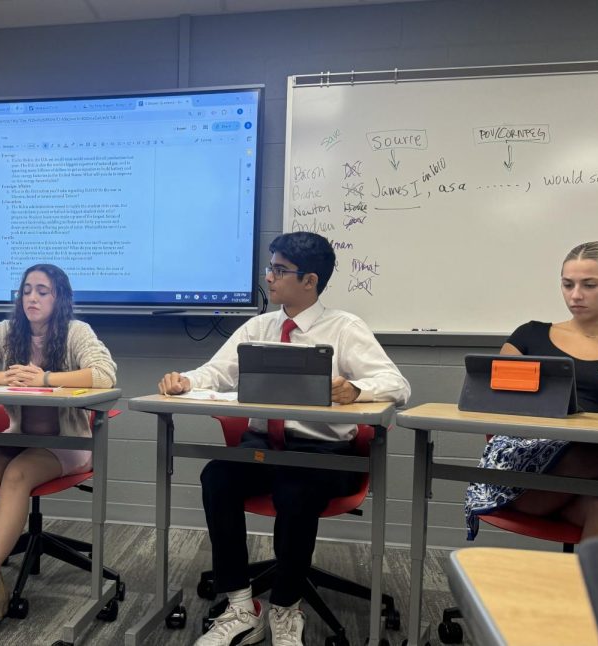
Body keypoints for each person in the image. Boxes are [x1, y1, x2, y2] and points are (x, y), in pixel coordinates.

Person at [158, 232, 410, 646]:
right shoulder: (259, 326)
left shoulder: (344, 328)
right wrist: (185, 379)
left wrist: (356, 390)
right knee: (216, 478)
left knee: (295, 490)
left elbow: (397, 385)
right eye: (269, 268)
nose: (268, 278)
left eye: (279, 270)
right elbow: (215, 372)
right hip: (263, 446)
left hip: (322, 453)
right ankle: (241, 605)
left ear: (309, 280)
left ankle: (286, 607)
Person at [466, 241, 598, 542]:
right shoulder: (529, 337)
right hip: (526, 474)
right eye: (567, 285)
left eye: (589, 285)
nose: (575, 295)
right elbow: (492, 408)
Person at [0, 263, 117, 634]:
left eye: (42, 291)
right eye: (26, 290)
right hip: (17, 436)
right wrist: (1, 377)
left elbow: (104, 375)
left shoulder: (75, 332)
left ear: (59, 298)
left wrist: (46, 379)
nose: (32, 298)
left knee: (17, 476)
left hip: (66, 443)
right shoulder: (8, 332)